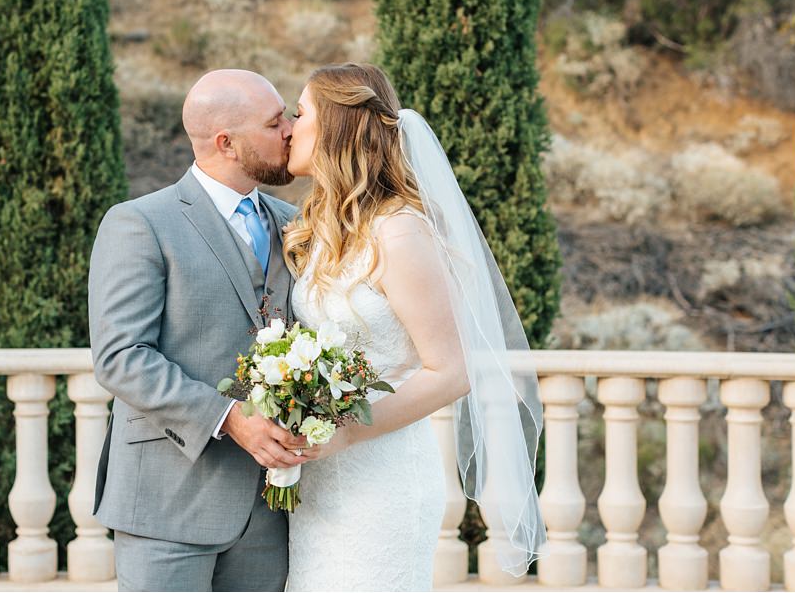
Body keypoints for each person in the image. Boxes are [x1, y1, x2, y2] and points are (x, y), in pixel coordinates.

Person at [282, 63, 545, 590]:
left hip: (382, 480)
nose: (289, 128)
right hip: (321, 485)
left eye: (300, 113)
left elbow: (451, 371)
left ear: (335, 128)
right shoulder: (329, 229)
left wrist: (346, 432)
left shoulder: (399, 233)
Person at [89, 69, 308, 591]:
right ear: (226, 142)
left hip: (269, 509)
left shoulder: (295, 222)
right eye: (275, 122)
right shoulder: (140, 223)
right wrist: (230, 417)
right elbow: (121, 356)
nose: (291, 131)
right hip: (168, 499)